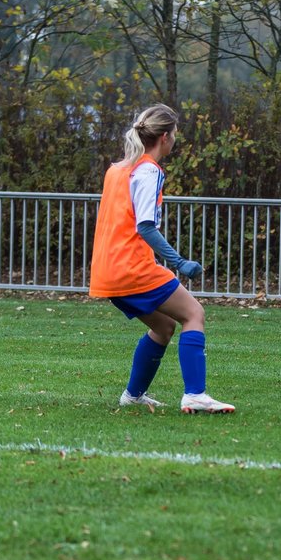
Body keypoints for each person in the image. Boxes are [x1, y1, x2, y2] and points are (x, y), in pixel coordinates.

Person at [89, 104, 234, 414]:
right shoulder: (148, 170)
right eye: (175, 135)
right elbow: (144, 226)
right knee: (194, 314)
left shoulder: (117, 169)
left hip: (106, 271)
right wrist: (179, 262)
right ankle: (195, 393)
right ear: (165, 137)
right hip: (132, 268)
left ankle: (133, 395)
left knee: (164, 326)